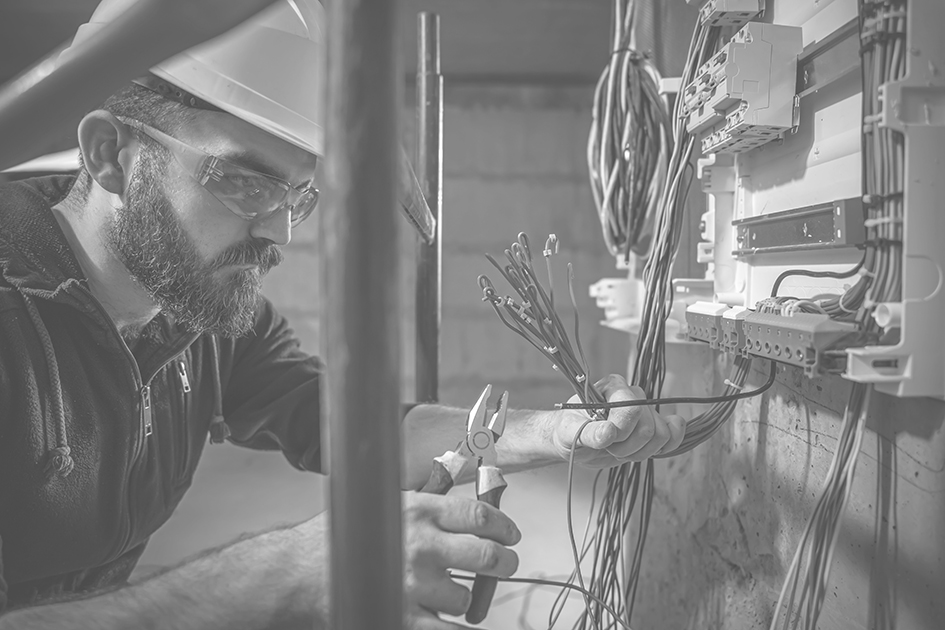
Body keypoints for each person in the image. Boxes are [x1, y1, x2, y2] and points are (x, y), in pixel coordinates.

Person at [0, 1, 686, 628]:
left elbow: (351, 427)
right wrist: (280, 573)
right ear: (109, 154)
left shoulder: (199, 314)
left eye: (299, 198)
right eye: (244, 183)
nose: (279, 234)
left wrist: (558, 432)